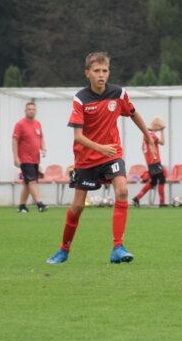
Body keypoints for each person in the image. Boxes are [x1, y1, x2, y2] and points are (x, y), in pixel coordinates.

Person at [46, 52, 154, 265]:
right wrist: (100, 148)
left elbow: (133, 113)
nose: (101, 75)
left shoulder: (118, 94)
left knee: (122, 191)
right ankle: (64, 249)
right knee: (78, 206)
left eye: (105, 71)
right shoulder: (80, 99)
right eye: (97, 71)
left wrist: (148, 136)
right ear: (88, 73)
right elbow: (78, 136)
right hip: (86, 159)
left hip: (112, 154)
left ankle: (118, 247)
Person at [12, 101, 47, 213]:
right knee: (32, 181)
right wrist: (16, 157)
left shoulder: (37, 124)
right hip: (25, 158)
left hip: (35, 159)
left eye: (33, 109)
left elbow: (41, 137)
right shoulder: (20, 124)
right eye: (29, 109)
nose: (31, 111)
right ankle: (40, 204)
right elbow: (14, 141)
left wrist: (43, 148)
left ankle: (22, 206)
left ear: (35, 111)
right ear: (25, 111)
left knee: (27, 183)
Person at [132, 116, 166, 207]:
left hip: (151, 162)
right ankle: (162, 203)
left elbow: (144, 147)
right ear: (156, 126)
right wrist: (162, 131)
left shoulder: (147, 134)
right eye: (159, 126)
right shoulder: (151, 135)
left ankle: (137, 198)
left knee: (153, 182)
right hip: (154, 161)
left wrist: (161, 131)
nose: (159, 128)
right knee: (162, 179)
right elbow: (161, 143)